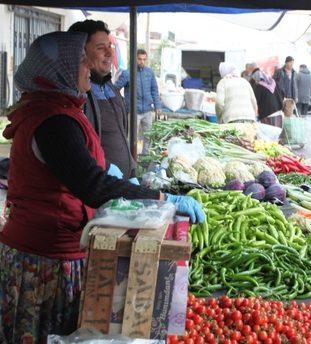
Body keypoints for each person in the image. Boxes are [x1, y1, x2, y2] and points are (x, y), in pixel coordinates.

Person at [0, 31, 204, 343]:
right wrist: (159, 198)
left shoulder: (55, 109)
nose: (88, 67)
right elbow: (92, 186)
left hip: (51, 244)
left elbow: (82, 174)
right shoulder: (54, 122)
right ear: (62, 71)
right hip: (44, 254)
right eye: (81, 61)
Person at [68, 20, 137, 182]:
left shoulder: (110, 87)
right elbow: (79, 150)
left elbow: (121, 135)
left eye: (110, 46)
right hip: (99, 188)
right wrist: (106, 168)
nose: (109, 53)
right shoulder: (76, 95)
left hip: (121, 188)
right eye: (100, 48)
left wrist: (132, 171)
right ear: (81, 52)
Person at [114, 49, 163, 155]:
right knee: (132, 137)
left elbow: (154, 90)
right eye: (140, 59)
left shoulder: (149, 72)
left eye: (144, 59)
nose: (142, 61)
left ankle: (145, 158)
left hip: (147, 111)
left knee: (148, 136)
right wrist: (122, 103)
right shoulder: (127, 73)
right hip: (133, 112)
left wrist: (157, 106)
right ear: (135, 59)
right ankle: (131, 158)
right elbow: (115, 88)